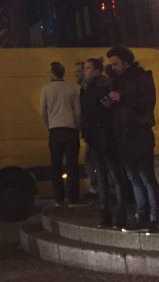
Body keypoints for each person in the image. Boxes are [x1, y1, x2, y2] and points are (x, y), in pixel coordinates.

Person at [105, 45, 159, 235]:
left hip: (139, 133)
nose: (113, 67)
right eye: (111, 64)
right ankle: (142, 216)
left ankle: (155, 219)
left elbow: (147, 102)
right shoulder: (117, 80)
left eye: (116, 63)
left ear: (126, 61)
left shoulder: (142, 77)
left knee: (146, 176)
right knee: (133, 178)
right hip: (123, 134)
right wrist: (111, 103)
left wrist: (121, 97)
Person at [80, 57, 128, 229]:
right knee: (100, 176)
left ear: (97, 70)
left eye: (88, 67)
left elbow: (109, 113)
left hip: (107, 137)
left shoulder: (106, 85)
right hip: (94, 138)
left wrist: (106, 134)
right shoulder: (85, 88)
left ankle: (121, 211)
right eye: (85, 68)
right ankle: (105, 212)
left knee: (115, 174)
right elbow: (85, 114)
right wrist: (87, 134)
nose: (85, 71)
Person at [40, 61, 85, 206]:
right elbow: (78, 113)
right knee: (72, 165)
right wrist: (77, 127)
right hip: (70, 130)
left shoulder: (45, 89)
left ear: (53, 73)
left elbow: (43, 112)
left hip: (55, 130)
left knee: (56, 165)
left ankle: (58, 198)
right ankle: (73, 198)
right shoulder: (72, 89)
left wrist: (49, 126)